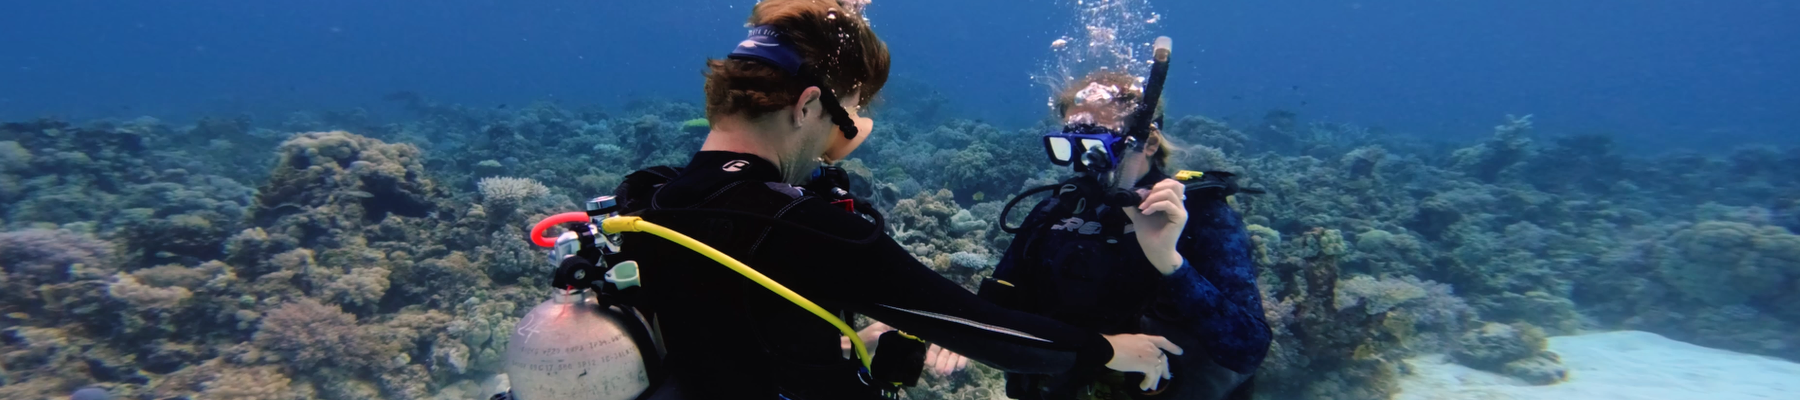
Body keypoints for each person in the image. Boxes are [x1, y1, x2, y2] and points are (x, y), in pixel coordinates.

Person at [587, 1, 1185, 399]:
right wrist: (1106, 349)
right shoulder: (809, 228)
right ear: (807, 107)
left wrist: (834, 346)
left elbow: (726, 332)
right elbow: (977, 328)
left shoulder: (650, 197)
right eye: (854, 112)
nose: (847, 137)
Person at [977, 65, 1273, 399]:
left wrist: (1171, 263)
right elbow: (992, 314)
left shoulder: (1202, 217)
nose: (1084, 165)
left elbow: (1248, 350)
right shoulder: (1053, 212)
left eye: (1095, 147)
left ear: (1148, 143)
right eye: (1070, 146)